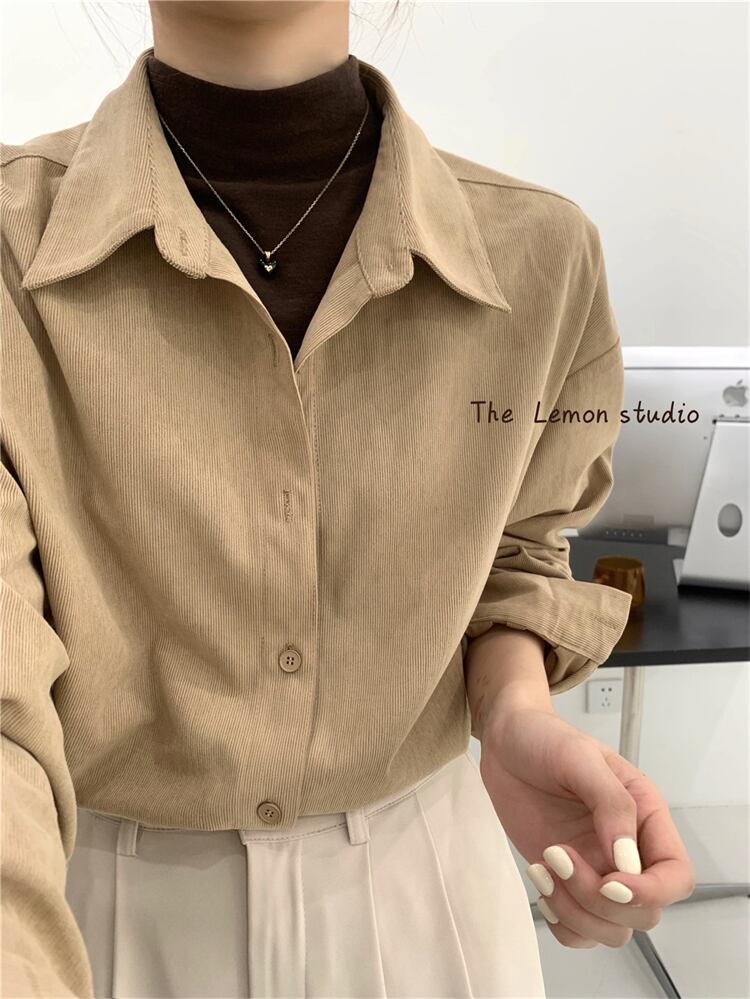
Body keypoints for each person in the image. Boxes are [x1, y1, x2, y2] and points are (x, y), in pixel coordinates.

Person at [0, 2, 696, 997]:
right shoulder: (10, 249)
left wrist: (512, 712)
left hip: (430, 900)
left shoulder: (541, 255)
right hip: (82, 908)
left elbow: (517, 550)